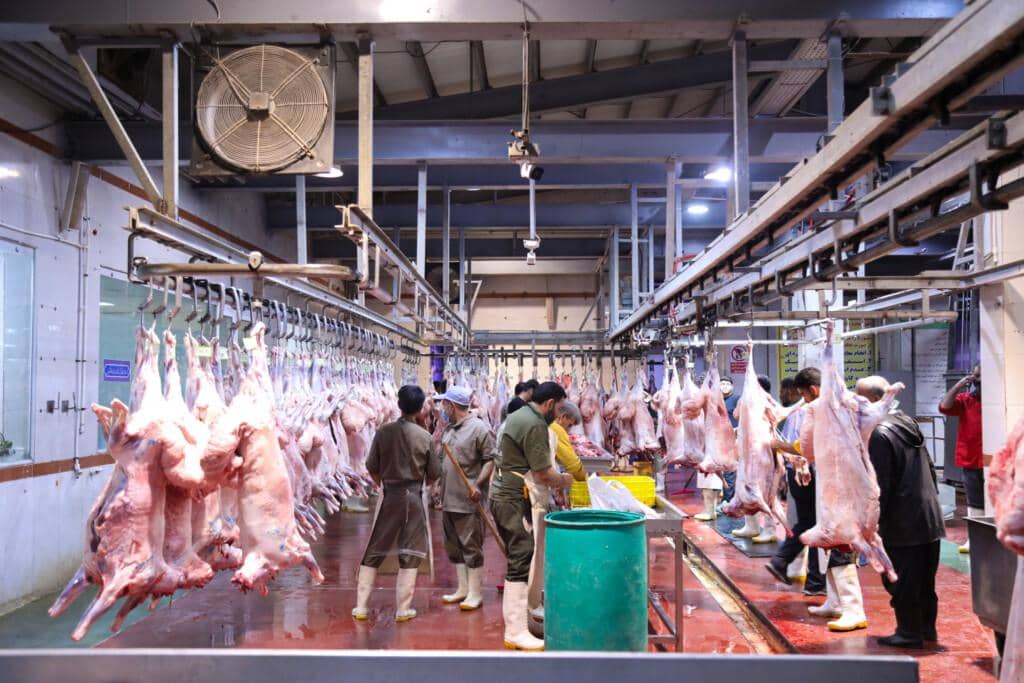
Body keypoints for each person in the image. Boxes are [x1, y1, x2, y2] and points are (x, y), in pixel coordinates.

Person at [858, 376, 945, 648]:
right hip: (928, 514)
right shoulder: (907, 422)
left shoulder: (881, 433)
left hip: (902, 519)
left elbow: (880, 483)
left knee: (901, 578)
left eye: (860, 401)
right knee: (924, 578)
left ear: (875, 400)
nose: (857, 407)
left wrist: (871, 523)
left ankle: (909, 632)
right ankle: (926, 629)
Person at [492, 381, 575, 651]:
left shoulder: (517, 414)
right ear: (550, 404)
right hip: (514, 495)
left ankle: (518, 625)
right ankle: (515, 631)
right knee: (521, 557)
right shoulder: (536, 424)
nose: (559, 414)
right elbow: (542, 473)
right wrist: (564, 480)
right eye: (560, 408)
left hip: (502, 491)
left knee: (521, 554)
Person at [352, 385, 441, 623]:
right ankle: (403, 609)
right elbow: (434, 474)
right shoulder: (425, 437)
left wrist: (383, 485)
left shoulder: (384, 432)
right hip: (413, 496)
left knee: (374, 549)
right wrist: (421, 485)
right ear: (422, 408)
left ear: (398, 404)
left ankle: (361, 607)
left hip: (390, 495)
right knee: (410, 552)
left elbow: (372, 467)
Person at [437, 385, 497, 612]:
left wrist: (477, 483)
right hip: (449, 499)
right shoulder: (450, 429)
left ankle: (475, 592)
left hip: (467, 501)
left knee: (471, 547)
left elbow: (490, 459)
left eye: (444, 404)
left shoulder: (479, 428)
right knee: (454, 547)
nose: (442, 408)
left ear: (452, 406)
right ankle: (462, 588)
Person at [767, 370, 825, 593]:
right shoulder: (811, 410)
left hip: (801, 471)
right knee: (816, 524)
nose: (804, 399)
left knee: (808, 522)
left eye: (803, 394)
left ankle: (787, 563)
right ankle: (814, 580)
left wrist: (777, 445)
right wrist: (778, 445)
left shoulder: (809, 409)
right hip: (808, 471)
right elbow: (803, 446)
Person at [938, 364, 982, 553]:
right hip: (971, 460)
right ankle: (974, 539)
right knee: (974, 503)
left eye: (980, 376)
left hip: (997, 462)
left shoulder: (1000, 399)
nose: (976, 379)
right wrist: (958, 386)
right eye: (974, 376)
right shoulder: (965, 400)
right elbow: (944, 407)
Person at [733, 375, 775, 542]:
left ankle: (770, 529)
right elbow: (736, 415)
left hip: (764, 452)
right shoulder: (746, 403)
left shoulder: (768, 402)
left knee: (767, 493)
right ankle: (751, 526)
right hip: (747, 451)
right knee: (747, 489)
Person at [719, 376, 740, 506]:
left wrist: (737, 429)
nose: (725, 386)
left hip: (733, 438)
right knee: (723, 469)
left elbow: (742, 417)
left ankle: (728, 499)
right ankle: (727, 497)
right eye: (722, 384)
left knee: (729, 470)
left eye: (727, 384)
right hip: (719, 439)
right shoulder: (717, 400)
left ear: (732, 386)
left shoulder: (737, 399)